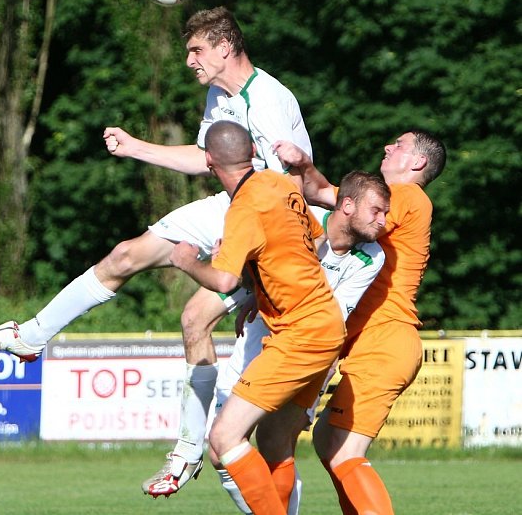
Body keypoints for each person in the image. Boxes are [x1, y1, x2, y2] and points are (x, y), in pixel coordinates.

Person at [0, 7, 313, 491]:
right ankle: (31, 336)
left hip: (270, 224)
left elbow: (293, 188)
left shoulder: (272, 99)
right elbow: (206, 158)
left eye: (196, 50)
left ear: (225, 46)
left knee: (205, 338)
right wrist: (136, 147)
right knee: (126, 255)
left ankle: (188, 452)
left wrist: (257, 280)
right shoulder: (219, 94)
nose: (189, 61)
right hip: (230, 203)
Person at [169, 119, 346, 515]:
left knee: (224, 439)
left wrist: (189, 261)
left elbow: (222, 279)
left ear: (209, 162)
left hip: (300, 335)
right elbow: (314, 243)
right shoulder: (281, 184)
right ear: (252, 153)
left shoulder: (243, 209)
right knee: (273, 444)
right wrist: (260, 288)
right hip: (326, 326)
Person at [274, 129, 446, 515]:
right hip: (375, 340)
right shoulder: (395, 201)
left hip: (385, 339)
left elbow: (343, 211)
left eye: (398, 145)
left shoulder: (406, 196)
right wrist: (305, 168)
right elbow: (332, 197)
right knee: (328, 439)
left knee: (342, 448)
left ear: (417, 162)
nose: (387, 146)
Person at [211, 169, 390, 514]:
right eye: (376, 210)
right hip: (267, 334)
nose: (382, 221)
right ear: (347, 205)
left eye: (385, 213)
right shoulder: (304, 216)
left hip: (311, 342)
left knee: (273, 442)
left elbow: (331, 310)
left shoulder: (372, 256)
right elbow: (263, 263)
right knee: (224, 447)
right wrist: (253, 293)